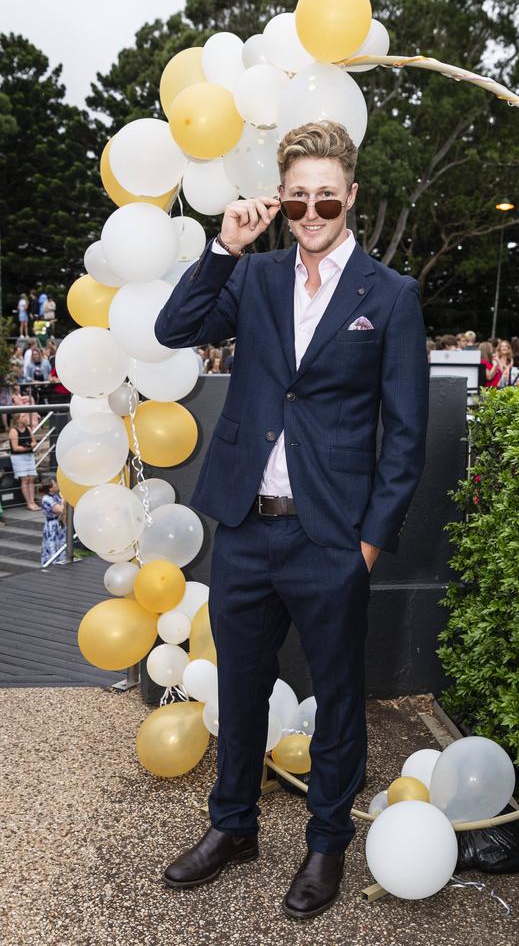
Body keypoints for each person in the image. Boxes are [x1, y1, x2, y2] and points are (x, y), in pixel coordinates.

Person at [154, 121, 429, 919]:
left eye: (326, 198)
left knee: (340, 698)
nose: (312, 212)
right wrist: (224, 248)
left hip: (331, 538)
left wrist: (366, 546)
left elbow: (406, 436)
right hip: (244, 525)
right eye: (298, 198)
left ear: (351, 196)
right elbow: (175, 331)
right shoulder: (256, 274)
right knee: (238, 689)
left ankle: (325, 844)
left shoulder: (392, 296)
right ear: (283, 198)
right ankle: (233, 827)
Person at [9, 413, 39, 511]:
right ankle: (29, 503)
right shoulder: (13, 431)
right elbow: (15, 448)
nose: (25, 418)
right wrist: (29, 447)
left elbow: (34, 441)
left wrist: (28, 446)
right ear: (17, 420)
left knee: (31, 478)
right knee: (25, 479)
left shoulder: (29, 429)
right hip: (18, 458)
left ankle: (33, 501)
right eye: (23, 417)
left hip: (29, 456)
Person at [40, 478, 66, 566]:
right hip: (52, 525)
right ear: (50, 488)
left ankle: (61, 560)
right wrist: (63, 500)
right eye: (54, 484)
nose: (56, 484)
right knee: (52, 545)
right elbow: (60, 510)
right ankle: (52, 564)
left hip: (59, 523)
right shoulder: (46, 499)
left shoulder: (54, 496)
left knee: (61, 543)